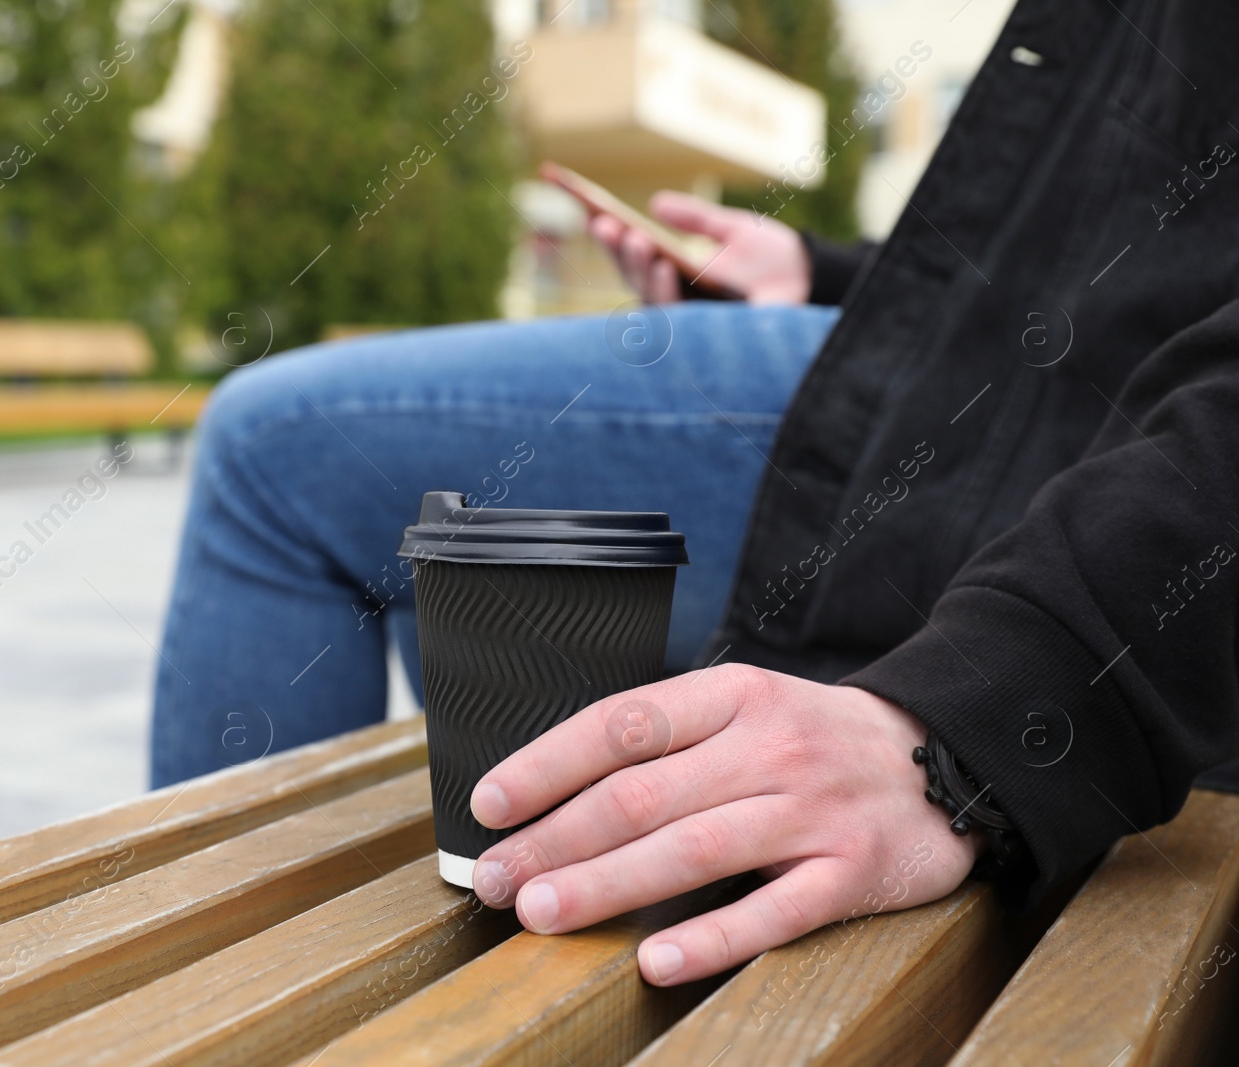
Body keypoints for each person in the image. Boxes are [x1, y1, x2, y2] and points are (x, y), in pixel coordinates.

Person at [152, 0, 1239, 987]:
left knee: (277, 452)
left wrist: (981, 713)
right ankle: (365, 960)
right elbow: (1105, 234)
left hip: (1122, 436)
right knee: (331, 479)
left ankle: (210, 994)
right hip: (985, 378)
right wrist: (827, 279)